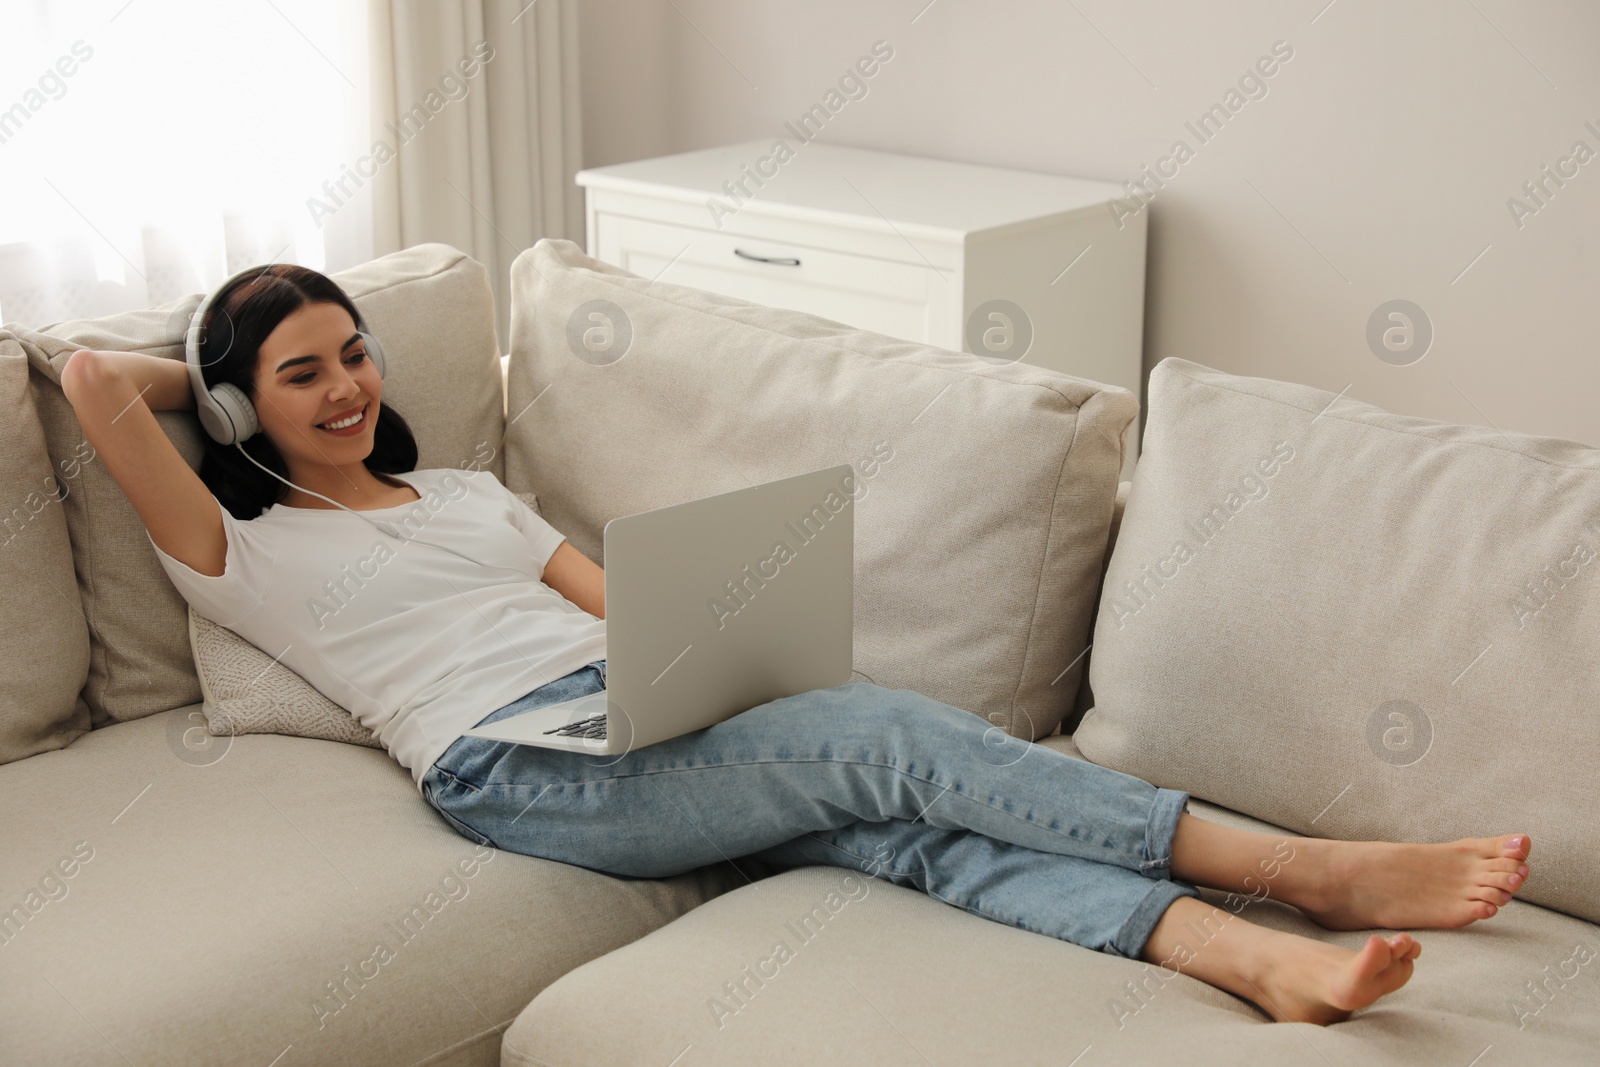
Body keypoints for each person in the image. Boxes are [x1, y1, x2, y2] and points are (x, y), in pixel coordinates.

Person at [60, 264, 1534, 1027]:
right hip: (513, 766)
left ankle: (1243, 962)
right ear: (242, 406)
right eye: (298, 374)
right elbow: (86, 380)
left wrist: (720, 634)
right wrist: (202, 378)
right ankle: (1305, 871)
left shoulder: (464, 493)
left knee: (895, 826)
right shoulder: (243, 550)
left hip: (624, 711)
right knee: (887, 738)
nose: (346, 387)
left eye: (355, 352)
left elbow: (617, 602)